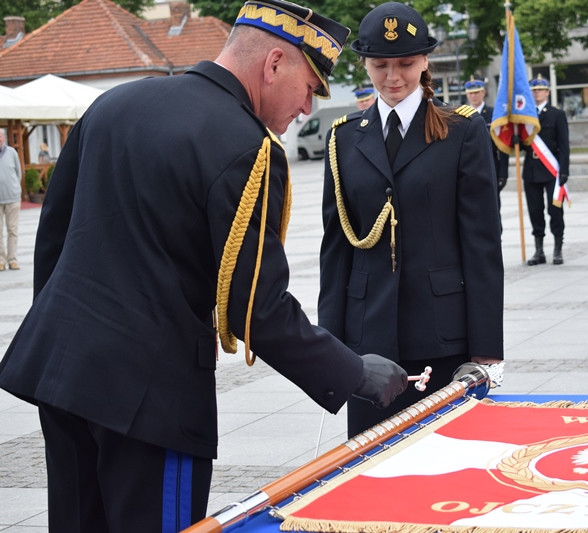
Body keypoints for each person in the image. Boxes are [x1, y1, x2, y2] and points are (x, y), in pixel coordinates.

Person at [0, 1, 409, 531]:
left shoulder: (116, 103)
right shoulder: (247, 148)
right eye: (310, 87)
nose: (307, 109)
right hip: (152, 403)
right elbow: (257, 309)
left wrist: (65, 337)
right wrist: (354, 371)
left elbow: (53, 240)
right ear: (274, 63)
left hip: (62, 373)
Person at [318, 2, 504, 438]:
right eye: (380, 65)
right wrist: (329, 349)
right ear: (365, 64)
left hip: (442, 335)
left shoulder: (461, 132)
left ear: (425, 61)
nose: (393, 76)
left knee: (446, 467)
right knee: (369, 469)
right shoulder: (344, 138)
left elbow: (481, 246)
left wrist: (487, 350)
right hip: (368, 343)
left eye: (405, 63)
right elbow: (336, 249)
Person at [522, 75, 569, 265]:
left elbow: (564, 145)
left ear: (548, 92)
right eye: (533, 90)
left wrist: (565, 170)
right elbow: (524, 143)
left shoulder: (557, 114)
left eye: (540, 89)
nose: (537, 93)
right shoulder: (524, 115)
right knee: (535, 211)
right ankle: (539, 250)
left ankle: (557, 248)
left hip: (552, 171)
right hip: (531, 170)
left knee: (555, 210)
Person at [464, 77, 509, 225]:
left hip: (491, 168)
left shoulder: (494, 113)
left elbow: (502, 145)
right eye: (470, 93)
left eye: (477, 92)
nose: (473, 96)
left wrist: (503, 173)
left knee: (493, 210)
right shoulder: (460, 115)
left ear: (483, 92)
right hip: (468, 170)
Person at [0, 128, 21, 271]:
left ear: (4, 138)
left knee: (12, 230)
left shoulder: (12, 152)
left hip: (12, 198)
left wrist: (15, 189)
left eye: (0, 136)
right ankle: (1, 260)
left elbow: (18, 173)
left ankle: (12, 259)